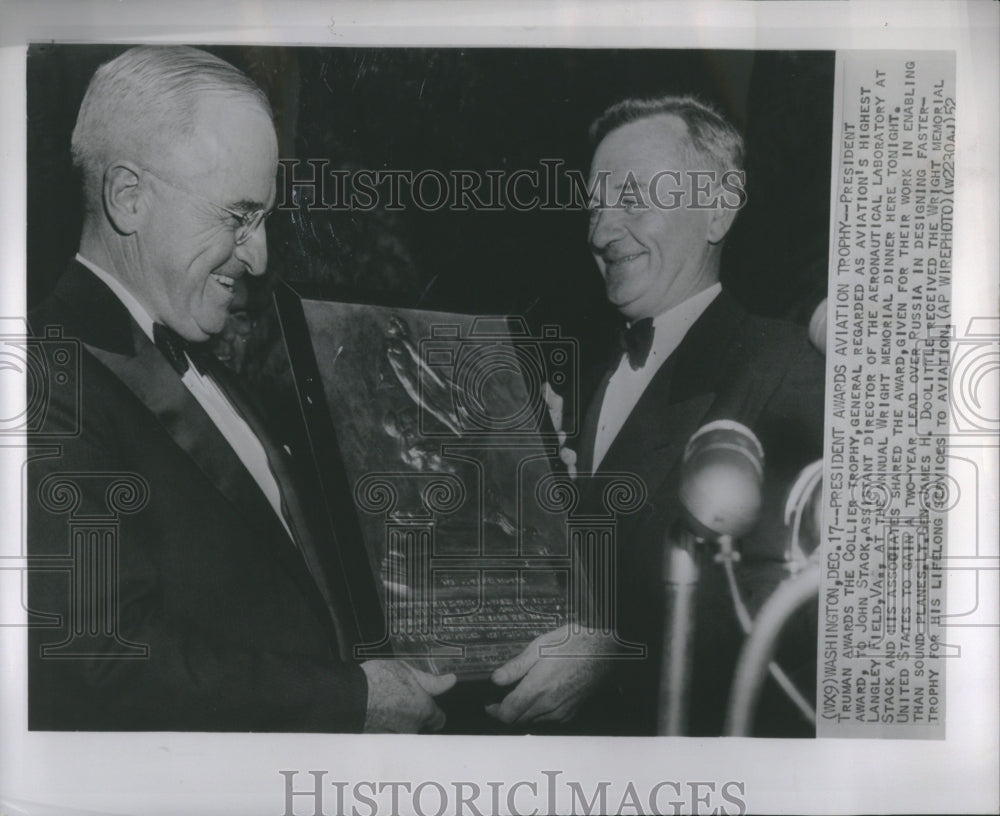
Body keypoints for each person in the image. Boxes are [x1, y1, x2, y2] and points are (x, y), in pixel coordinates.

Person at [27, 45, 455, 733]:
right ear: (128, 197)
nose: (259, 256)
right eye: (237, 216)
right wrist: (351, 701)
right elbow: (102, 661)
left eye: (265, 221)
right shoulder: (40, 380)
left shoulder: (203, 361)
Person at [487, 95, 825, 735]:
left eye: (633, 197)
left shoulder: (784, 367)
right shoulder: (573, 375)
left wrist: (620, 656)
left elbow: (791, 609)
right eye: (594, 206)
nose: (600, 232)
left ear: (719, 209)